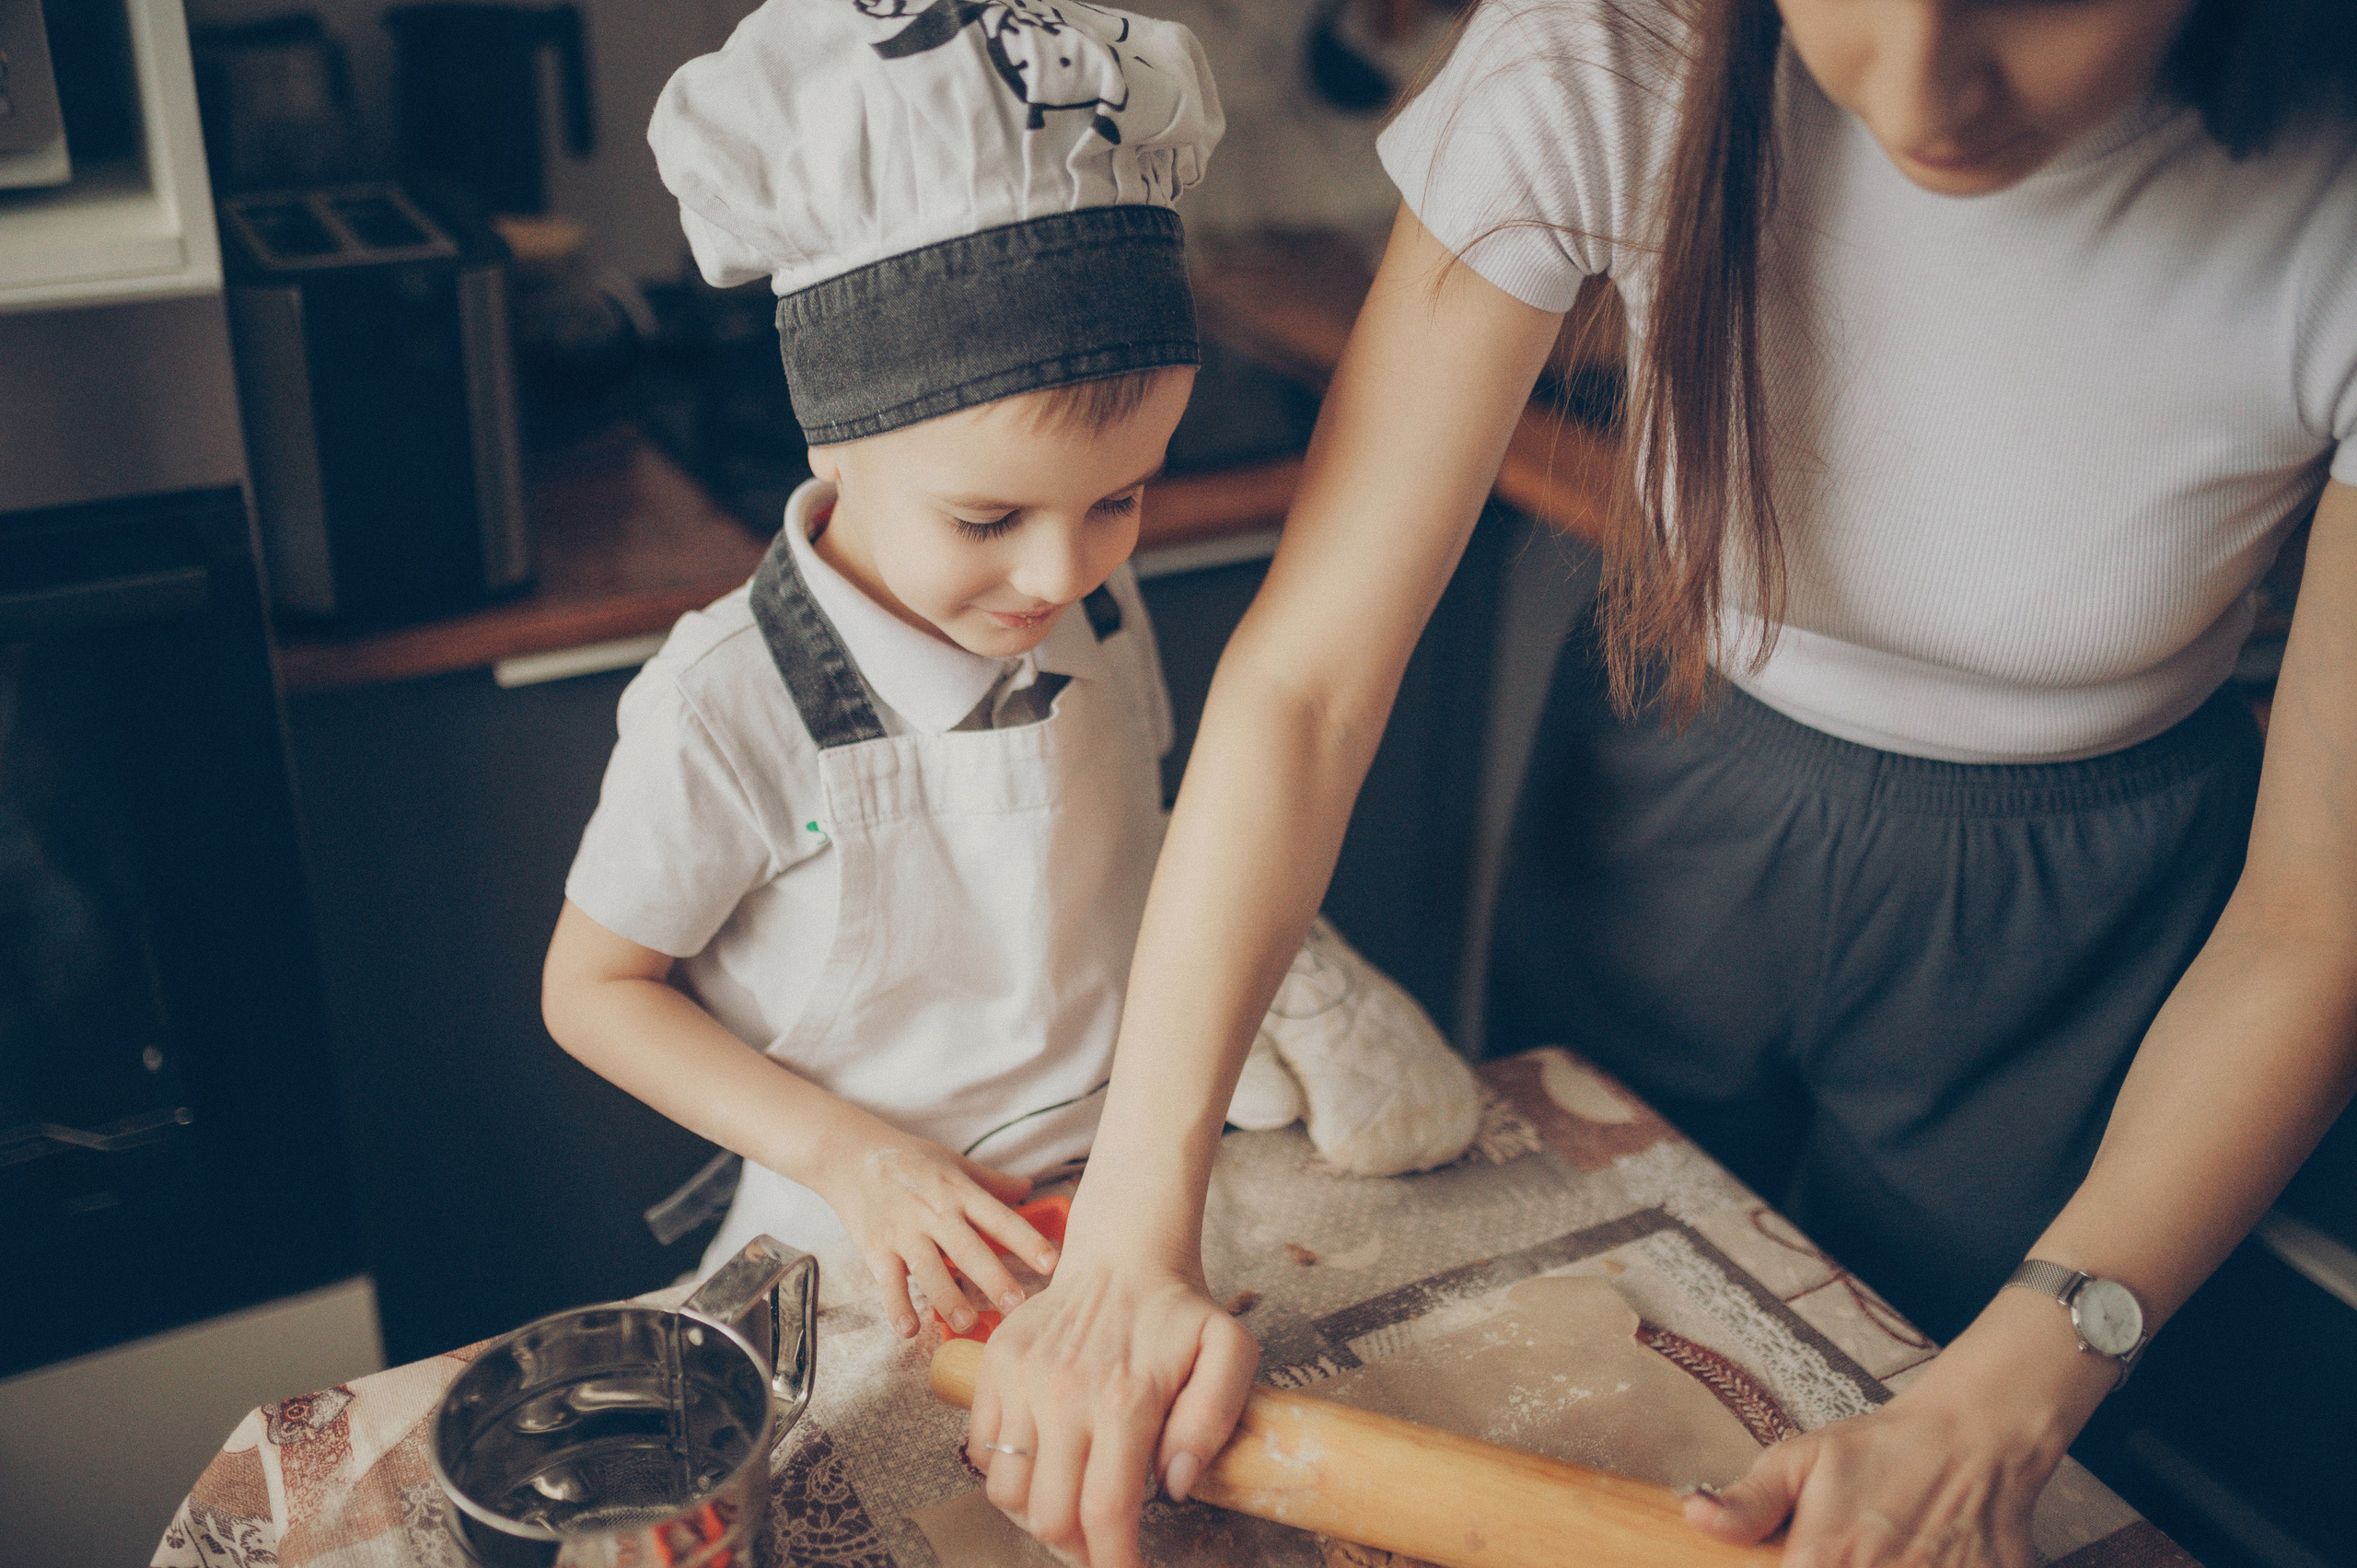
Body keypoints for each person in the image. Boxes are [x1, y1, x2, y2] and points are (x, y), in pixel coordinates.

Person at [965, 1, 2357, 1564]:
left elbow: (2320, 905)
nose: (1920, 89)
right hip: (1670, 822)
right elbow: (1303, 685)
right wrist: (1130, 1246)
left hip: (2081, 947)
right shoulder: (1605, 49)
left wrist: (2027, 1380)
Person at [541, 0, 1477, 1340]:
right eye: (989, 520)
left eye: (1122, 500)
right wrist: (854, 1158)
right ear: (835, 444)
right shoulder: (726, 705)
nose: (1060, 576)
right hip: (865, 1237)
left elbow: (1139, 850)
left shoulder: (1091, 602)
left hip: (1135, 1195)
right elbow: (592, 993)